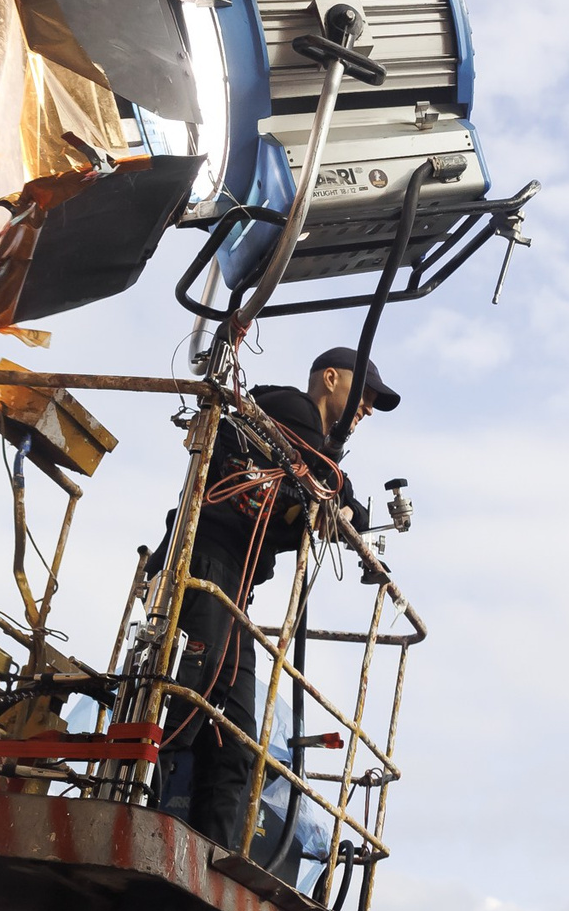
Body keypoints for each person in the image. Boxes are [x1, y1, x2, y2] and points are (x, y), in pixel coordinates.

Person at [161, 346, 399, 854]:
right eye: (365, 395)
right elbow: (330, 482)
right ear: (330, 379)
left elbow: (324, 487)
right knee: (187, 703)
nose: (368, 409)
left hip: (234, 587)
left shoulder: (307, 447)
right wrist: (346, 505)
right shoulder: (288, 410)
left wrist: (343, 507)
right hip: (205, 562)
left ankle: (215, 854)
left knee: (238, 733)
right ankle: (137, 801)